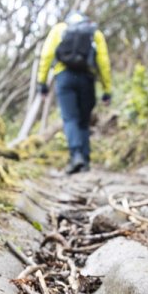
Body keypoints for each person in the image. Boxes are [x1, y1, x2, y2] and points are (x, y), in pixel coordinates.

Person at [37, 11, 112, 174]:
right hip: (87, 78)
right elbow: (104, 62)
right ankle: (85, 160)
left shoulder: (59, 29)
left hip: (65, 76)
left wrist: (42, 82)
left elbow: (47, 55)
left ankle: (76, 155)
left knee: (70, 118)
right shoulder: (94, 32)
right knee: (84, 120)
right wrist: (107, 89)